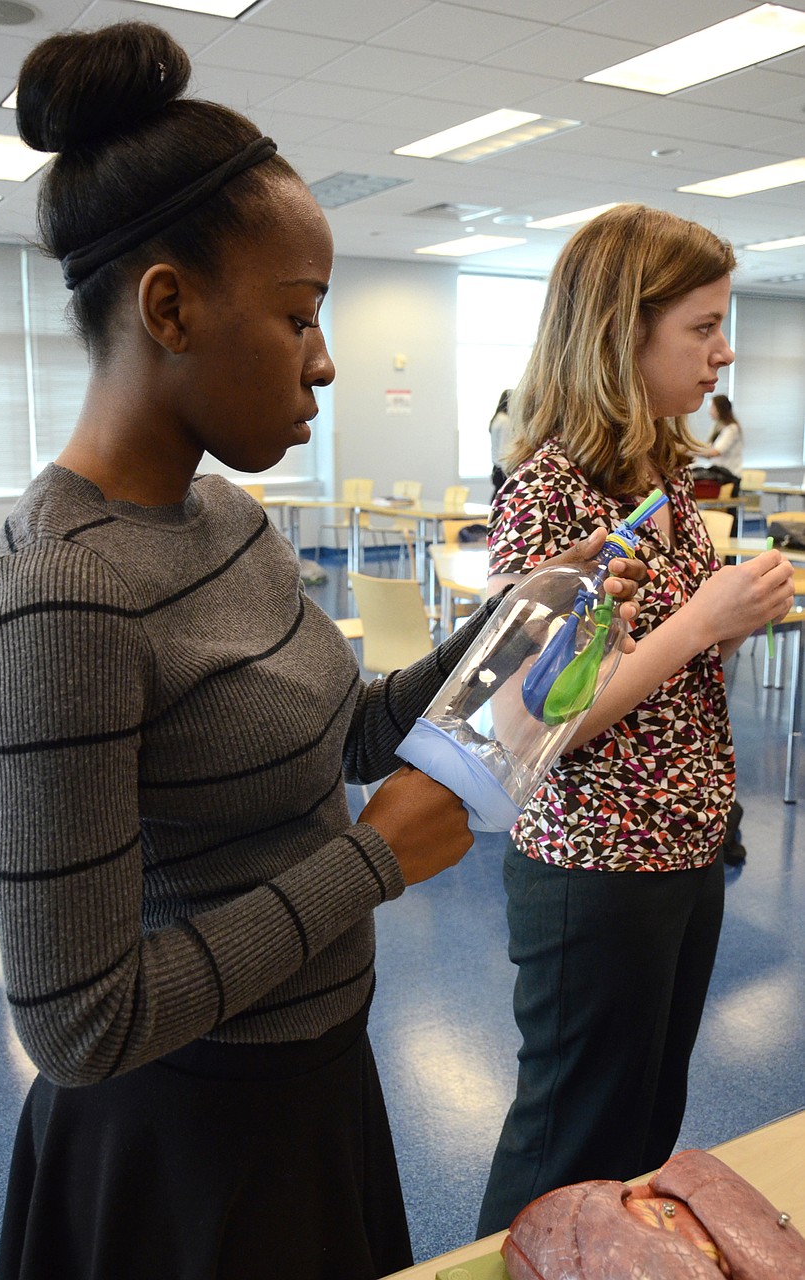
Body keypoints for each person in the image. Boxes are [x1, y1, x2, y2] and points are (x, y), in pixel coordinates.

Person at [0, 24, 646, 1280]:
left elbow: (343, 727)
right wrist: (372, 860)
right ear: (168, 306)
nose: (325, 359)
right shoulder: (64, 598)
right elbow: (77, 1020)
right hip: (180, 1140)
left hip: (314, 1071)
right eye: (299, 315)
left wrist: (516, 624)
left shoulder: (225, 511)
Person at [477, 204, 794, 1236]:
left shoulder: (656, 473)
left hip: (680, 845)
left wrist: (725, 624)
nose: (723, 349)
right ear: (624, 331)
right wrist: (702, 622)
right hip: (596, 861)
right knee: (569, 1140)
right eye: (700, 325)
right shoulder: (546, 495)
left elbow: (650, 665)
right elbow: (530, 724)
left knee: (642, 1127)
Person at [693, 393, 743, 482]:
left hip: (729, 476)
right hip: (719, 473)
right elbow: (708, 450)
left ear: (720, 409)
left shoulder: (732, 429)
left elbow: (715, 452)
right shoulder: (717, 427)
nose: (709, 411)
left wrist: (691, 450)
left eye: (712, 408)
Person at [489, 388, 514, 501]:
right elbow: (505, 447)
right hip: (503, 468)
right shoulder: (506, 421)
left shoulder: (497, 419)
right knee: (501, 500)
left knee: (497, 497)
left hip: (496, 467)